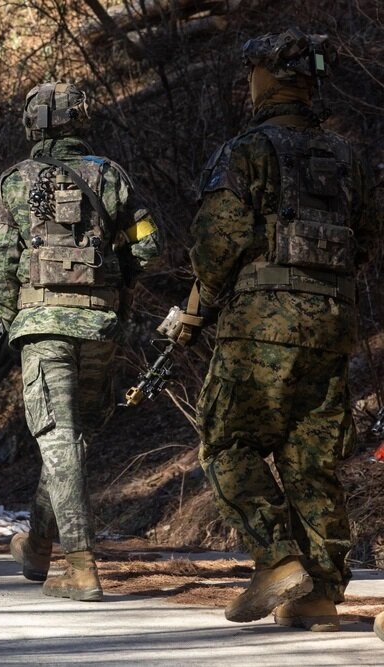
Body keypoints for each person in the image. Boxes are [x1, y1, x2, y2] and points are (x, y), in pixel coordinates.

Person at [187, 29, 376, 631]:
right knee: (310, 457)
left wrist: (203, 304)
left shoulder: (247, 150)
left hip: (259, 327)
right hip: (333, 326)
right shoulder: (349, 159)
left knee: (226, 442)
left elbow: (217, 244)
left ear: (267, 80)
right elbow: (367, 241)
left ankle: (277, 560)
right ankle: (319, 594)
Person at [0, 82, 161, 600]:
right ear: (82, 121)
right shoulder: (110, 176)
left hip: (43, 328)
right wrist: (112, 293)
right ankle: (38, 546)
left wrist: (21, 318)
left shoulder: (14, 182)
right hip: (101, 327)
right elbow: (149, 249)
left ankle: (81, 566)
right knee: (71, 437)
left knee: (58, 438)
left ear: (32, 125)